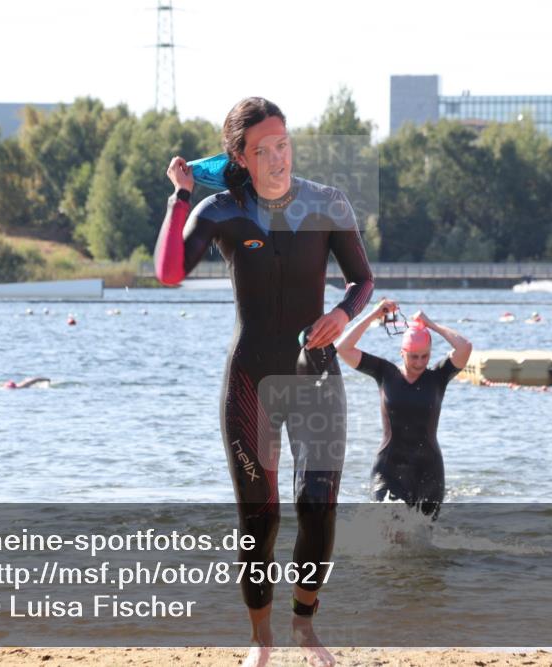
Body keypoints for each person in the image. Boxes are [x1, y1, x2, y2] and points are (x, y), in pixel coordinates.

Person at [154, 97, 374, 667]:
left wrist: (343, 315)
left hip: (316, 376)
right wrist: (180, 197)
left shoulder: (327, 203)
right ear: (241, 158)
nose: (277, 159)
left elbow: (362, 279)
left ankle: (304, 624)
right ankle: (261, 640)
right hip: (250, 378)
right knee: (261, 516)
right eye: (263, 151)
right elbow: (169, 273)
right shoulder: (221, 213)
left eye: (283, 145)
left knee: (318, 505)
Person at [335, 299, 471, 520]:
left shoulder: (438, 377)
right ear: (402, 352)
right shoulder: (385, 373)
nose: (419, 362)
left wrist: (432, 324)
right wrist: (373, 315)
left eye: (424, 356)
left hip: (429, 471)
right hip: (389, 468)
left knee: (421, 541)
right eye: (413, 356)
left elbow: (465, 348)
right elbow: (343, 347)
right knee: (387, 527)